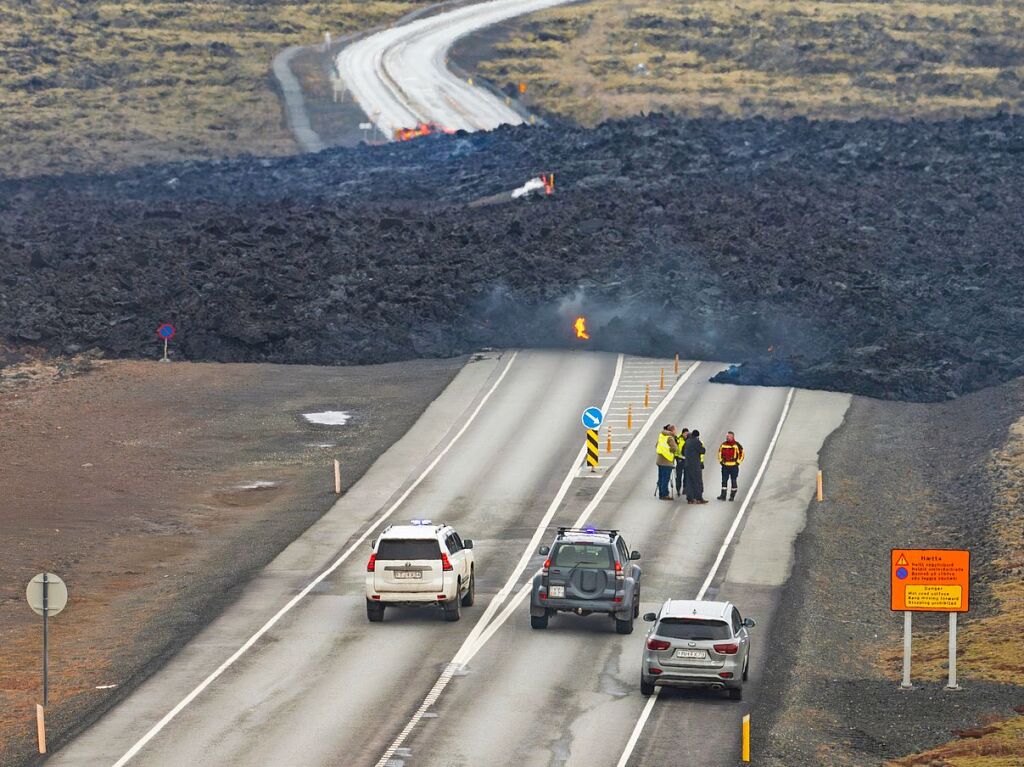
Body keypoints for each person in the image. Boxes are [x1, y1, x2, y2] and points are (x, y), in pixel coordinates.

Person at [717, 431, 745, 501]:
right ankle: (723, 495)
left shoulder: (737, 445)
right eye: (727, 436)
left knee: (733, 480)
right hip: (725, 466)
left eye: (729, 436)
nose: (727, 437)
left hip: (734, 466)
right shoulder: (723, 445)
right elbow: (719, 453)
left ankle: (732, 496)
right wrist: (721, 461)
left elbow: (742, 454)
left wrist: (738, 462)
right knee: (724, 480)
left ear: (732, 437)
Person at [683, 429, 707, 504]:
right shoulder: (696, 441)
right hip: (695, 465)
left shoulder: (687, 442)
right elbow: (702, 450)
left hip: (687, 464)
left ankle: (690, 499)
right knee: (697, 481)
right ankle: (698, 498)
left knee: (689, 482)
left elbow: (682, 451)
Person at [655, 424, 677, 501]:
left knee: (660, 477)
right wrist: (670, 451)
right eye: (675, 430)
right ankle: (664, 494)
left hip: (659, 460)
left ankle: (661, 493)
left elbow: (656, 445)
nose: (676, 431)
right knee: (665, 478)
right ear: (672, 430)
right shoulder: (670, 438)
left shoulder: (662, 435)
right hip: (667, 461)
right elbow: (674, 448)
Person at [674, 427, 690, 499]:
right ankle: (678, 488)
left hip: (687, 460)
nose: (686, 435)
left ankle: (685, 488)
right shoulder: (678, 439)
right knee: (678, 476)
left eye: (687, 433)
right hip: (679, 459)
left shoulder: (689, 440)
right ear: (682, 433)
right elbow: (675, 448)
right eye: (685, 433)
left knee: (686, 475)